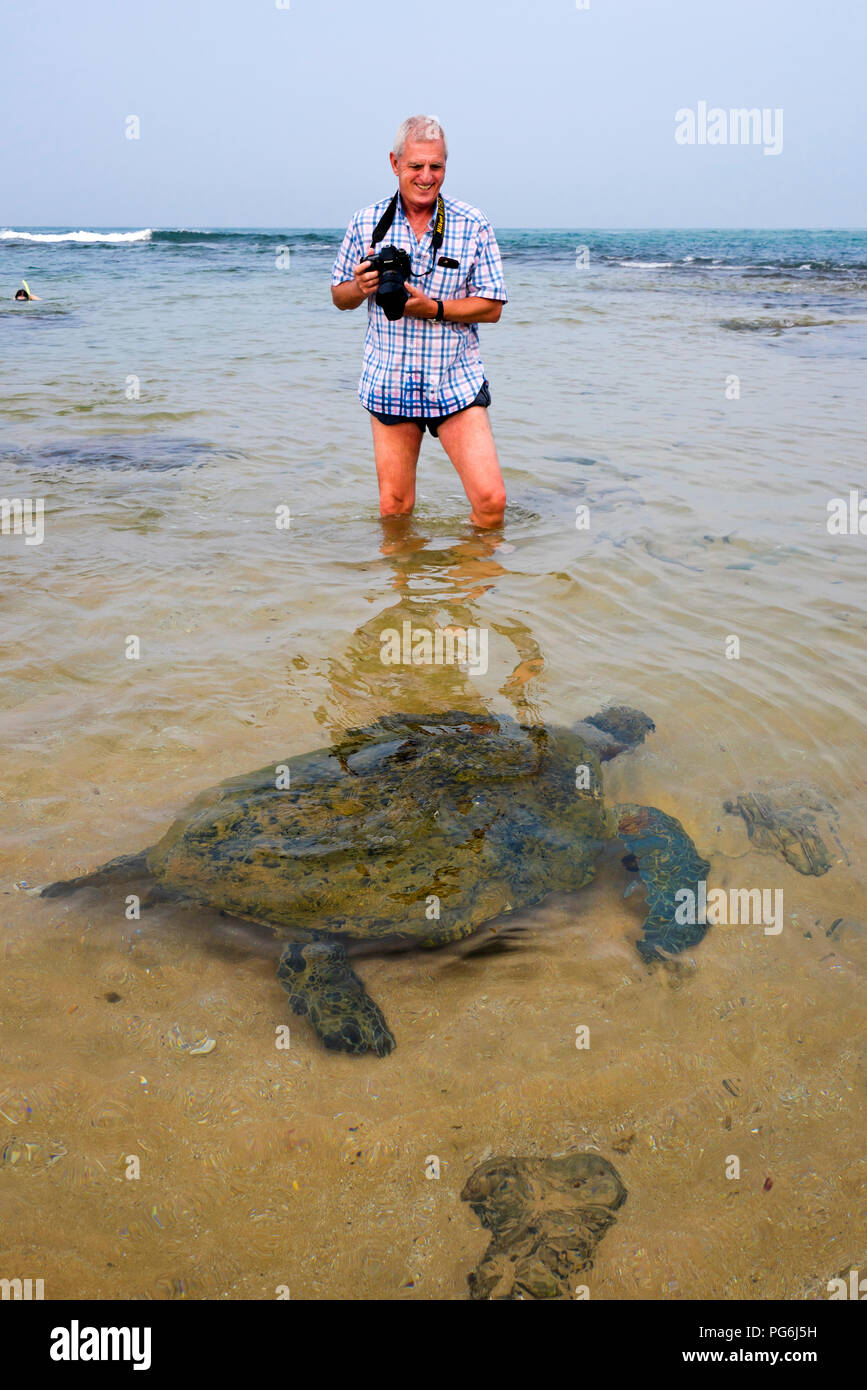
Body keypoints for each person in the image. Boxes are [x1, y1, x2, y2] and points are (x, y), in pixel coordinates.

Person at [331, 115, 508, 529]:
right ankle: (408, 574)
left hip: (454, 379)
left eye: (436, 166)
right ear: (395, 164)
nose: (426, 177)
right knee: (395, 508)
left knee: (491, 501)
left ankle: (467, 573)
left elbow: (493, 307)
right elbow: (339, 298)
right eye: (416, 166)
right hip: (390, 379)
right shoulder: (365, 223)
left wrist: (436, 309)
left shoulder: (472, 223)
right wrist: (359, 286)